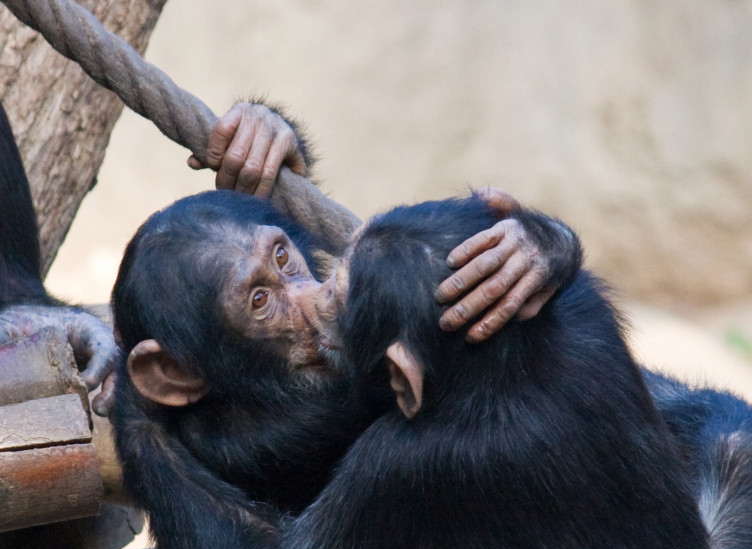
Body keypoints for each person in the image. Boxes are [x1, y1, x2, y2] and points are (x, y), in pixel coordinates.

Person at [0, 101, 564, 416]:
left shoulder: (329, 330)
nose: (316, 299)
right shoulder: (242, 422)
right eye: (263, 300)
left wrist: (544, 242)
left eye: (288, 259)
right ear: (176, 376)